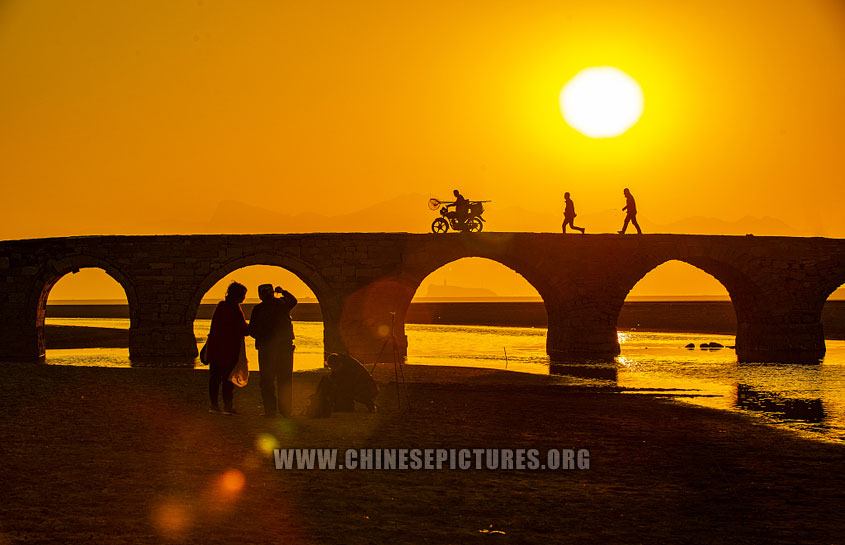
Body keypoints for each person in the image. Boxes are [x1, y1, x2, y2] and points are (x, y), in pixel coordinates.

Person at [249, 284, 297, 418]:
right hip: (284, 349)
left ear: (261, 295)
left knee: (267, 381)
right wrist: (283, 291)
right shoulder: (282, 304)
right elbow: (293, 300)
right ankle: (286, 411)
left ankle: (270, 411)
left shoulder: (258, 309)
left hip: (266, 350)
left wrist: (262, 336)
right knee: (285, 380)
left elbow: (252, 330)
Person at [205, 281, 249, 415]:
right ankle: (227, 407)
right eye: (242, 295)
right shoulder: (235, 309)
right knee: (227, 380)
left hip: (215, 348)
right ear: (237, 295)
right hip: (229, 350)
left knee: (215, 378)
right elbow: (243, 329)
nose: (243, 298)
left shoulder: (221, 306)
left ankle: (214, 405)